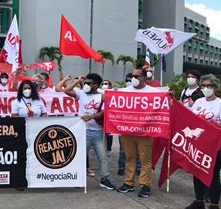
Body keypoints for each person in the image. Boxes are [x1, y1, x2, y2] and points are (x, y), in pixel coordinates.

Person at [56, 74, 116, 190]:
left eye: (89, 83)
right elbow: (60, 89)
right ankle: (78, 179)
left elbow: (103, 112)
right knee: (80, 157)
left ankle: (105, 179)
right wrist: (77, 81)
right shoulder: (81, 93)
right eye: (85, 83)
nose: (86, 85)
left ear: (96, 85)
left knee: (103, 157)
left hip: (99, 132)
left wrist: (92, 116)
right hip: (83, 131)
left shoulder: (103, 96)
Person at [185, 74, 221, 209]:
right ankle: (199, 201)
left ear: (215, 87)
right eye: (204, 86)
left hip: (214, 147)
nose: (207, 88)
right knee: (197, 173)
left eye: (210, 86)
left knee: (213, 176)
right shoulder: (199, 102)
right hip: (198, 144)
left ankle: (214, 206)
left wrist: (215, 127)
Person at [117, 68, 160, 198]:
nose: (134, 78)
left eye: (136, 76)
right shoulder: (123, 92)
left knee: (145, 160)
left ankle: (145, 185)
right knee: (130, 158)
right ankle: (128, 183)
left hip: (145, 133)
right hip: (128, 132)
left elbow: (165, 106)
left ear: (144, 78)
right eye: (132, 76)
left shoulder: (154, 92)